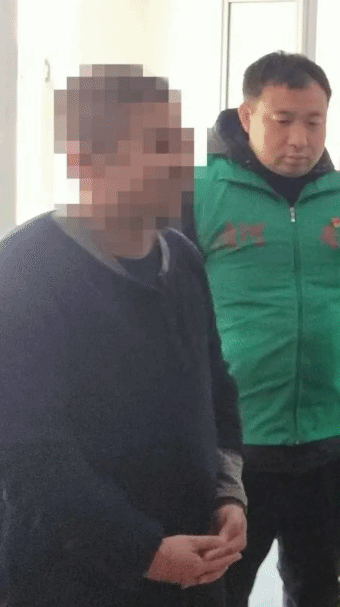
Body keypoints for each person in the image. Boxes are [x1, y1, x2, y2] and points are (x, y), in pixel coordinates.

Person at [0, 64, 248, 607]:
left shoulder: (182, 258)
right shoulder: (23, 271)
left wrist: (229, 496)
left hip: (194, 570)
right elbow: (29, 455)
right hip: (74, 579)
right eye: (159, 146)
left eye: (181, 142)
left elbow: (217, 387)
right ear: (84, 161)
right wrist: (144, 552)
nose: (183, 163)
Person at [185, 52, 340, 607]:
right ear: (246, 116)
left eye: (314, 121)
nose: (300, 138)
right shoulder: (195, 195)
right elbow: (165, 314)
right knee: (217, 590)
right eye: (283, 120)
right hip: (232, 443)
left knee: (318, 590)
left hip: (331, 438)